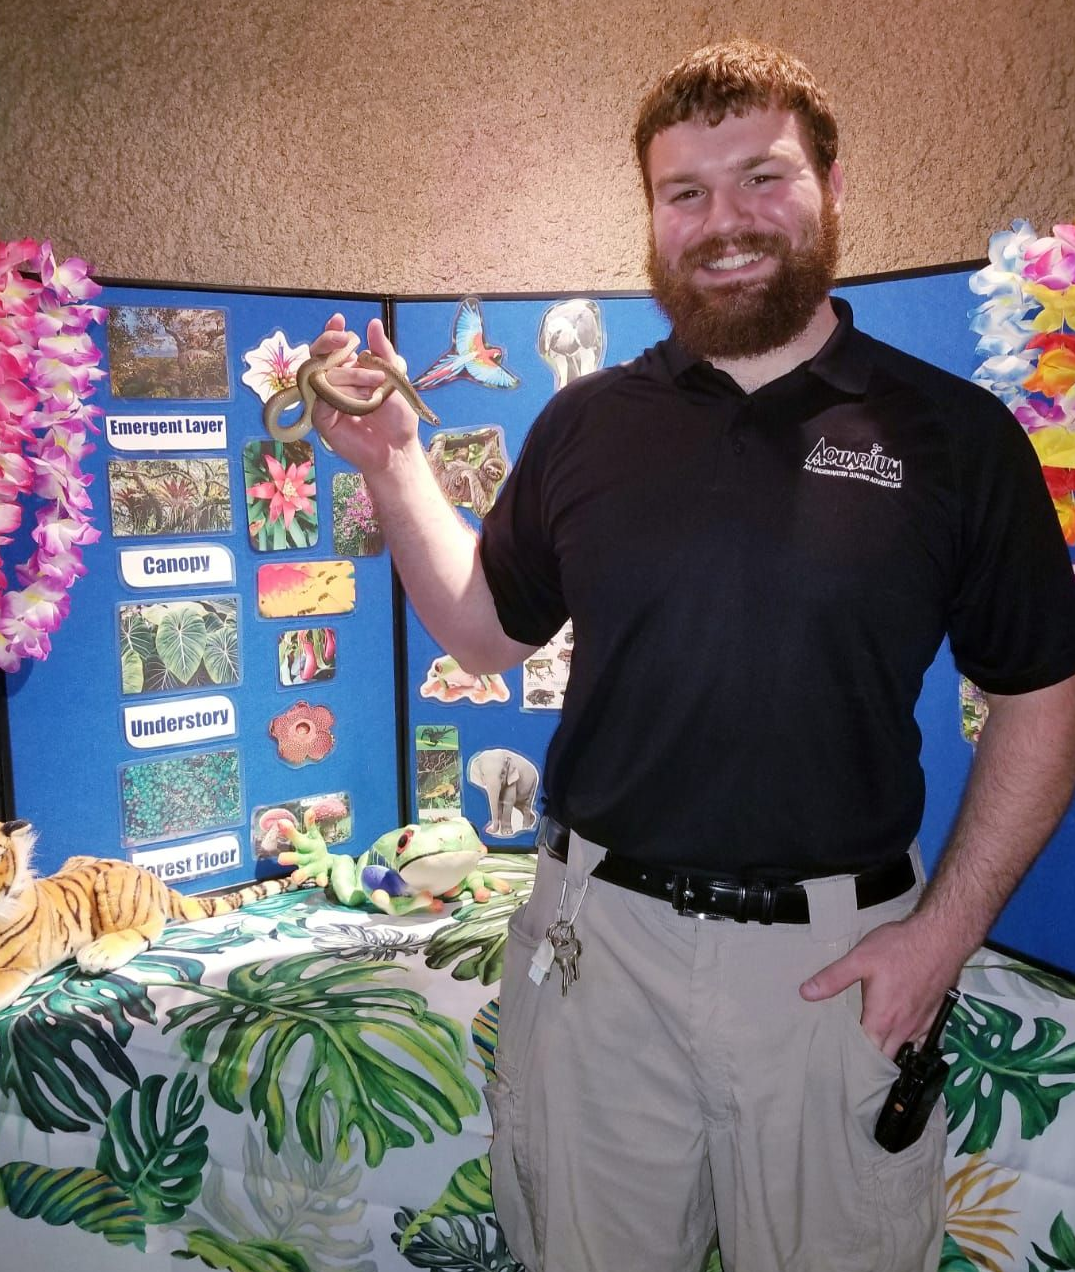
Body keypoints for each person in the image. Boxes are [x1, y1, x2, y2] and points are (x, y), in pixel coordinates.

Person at [308, 38, 1075, 1272]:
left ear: (831, 188)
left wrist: (944, 936)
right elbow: (481, 630)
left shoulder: (952, 434)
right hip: (594, 958)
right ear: (652, 218)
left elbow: (1044, 696)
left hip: (834, 974)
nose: (727, 221)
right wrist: (396, 462)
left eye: (764, 178)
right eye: (686, 192)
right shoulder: (586, 424)